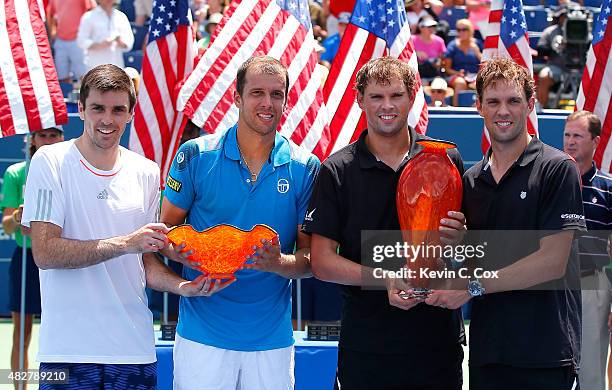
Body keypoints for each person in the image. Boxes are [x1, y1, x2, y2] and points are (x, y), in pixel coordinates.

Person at [21, 64, 211, 389]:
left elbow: (144, 260)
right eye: (98, 108)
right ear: (80, 109)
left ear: (131, 114)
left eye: (118, 110)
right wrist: (127, 243)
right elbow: (45, 252)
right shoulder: (49, 161)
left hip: (134, 352)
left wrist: (182, 287)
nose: (107, 120)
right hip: (68, 353)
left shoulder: (147, 172)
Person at [302, 56, 467, 389]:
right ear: (360, 100)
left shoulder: (446, 159)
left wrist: (461, 243)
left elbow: (472, 251)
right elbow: (320, 262)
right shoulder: (337, 170)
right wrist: (385, 278)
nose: (387, 106)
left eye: (396, 95)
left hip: (437, 345)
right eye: (376, 97)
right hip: (367, 348)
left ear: (412, 97)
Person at [160, 55, 320, 389]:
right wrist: (192, 254)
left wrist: (279, 263)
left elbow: (310, 259)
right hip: (200, 337)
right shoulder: (195, 155)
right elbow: (166, 232)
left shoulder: (306, 167)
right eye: (257, 93)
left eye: (277, 94)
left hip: (271, 341)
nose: (267, 103)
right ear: (236, 97)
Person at [426, 57, 585, 389]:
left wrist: (470, 287)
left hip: (545, 353)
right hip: (489, 351)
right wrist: (461, 246)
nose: (503, 111)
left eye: (513, 101)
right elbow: (478, 260)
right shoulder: (470, 181)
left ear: (530, 105)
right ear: (478, 107)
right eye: (493, 101)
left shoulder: (558, 169)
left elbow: (552, 262)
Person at [1, 126, 64, 389]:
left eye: (53, 135)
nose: (48, 140)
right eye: (43, 135)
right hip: (26, 258)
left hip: (61, 259)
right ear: (32, 140)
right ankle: (20, 387)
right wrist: (19, 216)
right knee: (23, 333)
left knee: (62, 332)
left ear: (62, 137)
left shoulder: (69, 170)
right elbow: (6, 225)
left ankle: (60, 384)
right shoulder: (16, 172)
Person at [563, 110, 612, 390]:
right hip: (551, 284)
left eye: (578, 136)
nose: (570, 142)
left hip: (593, 284)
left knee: (591, 372)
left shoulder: (608, 190)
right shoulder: (551, 182)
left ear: (594, 142)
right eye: (567, 135)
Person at [77, 0, 134, 70]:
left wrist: (120, 42)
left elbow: (129, 41)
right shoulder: (88, 17)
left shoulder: (121, 16)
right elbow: (81, 40)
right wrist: (99, 45)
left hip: (116, 67)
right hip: (95, 68)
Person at [47, 0, 96, 82]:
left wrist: (86, 33)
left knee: (84, 77)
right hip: (60, 41)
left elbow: (92, 10)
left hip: (78, 40)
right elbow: (50, 13)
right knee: (61, 77)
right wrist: (53, 31)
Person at [536, 5, 569, 109]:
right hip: (557, 67)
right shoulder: (550, 31)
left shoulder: (583, 29)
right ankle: (541, 109)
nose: (565, 18)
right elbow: (540, 50)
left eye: (567, 16)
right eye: (562, 16)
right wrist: (555, 48)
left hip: (580, 68)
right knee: (544, 76)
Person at [443, 19, 482, 106]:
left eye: (464, 29)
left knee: (479, 84)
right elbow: (447, 69)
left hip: (475, 75)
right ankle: (456, 112)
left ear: (470, 30)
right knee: (460, 82)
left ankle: (479, 111)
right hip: (456, 76)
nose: (461, 32)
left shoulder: (478, 44)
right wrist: (458, 73)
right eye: (459, 30)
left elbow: (485, 64)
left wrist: (477, 51)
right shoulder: (452, 45)